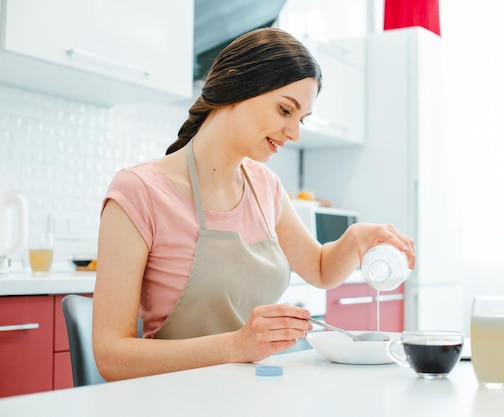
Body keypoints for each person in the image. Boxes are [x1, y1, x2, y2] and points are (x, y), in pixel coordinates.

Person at [92, 27, 415, 381]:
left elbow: (321, 270)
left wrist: (356, 238)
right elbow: (111, 357)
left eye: (301, 119)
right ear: (236, 87)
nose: (294, 133)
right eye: (284, 110)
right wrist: (237, 346)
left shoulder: (265, 186)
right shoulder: (139, 191)